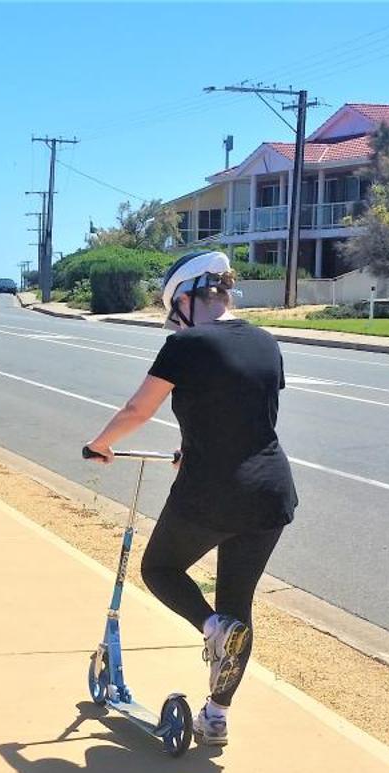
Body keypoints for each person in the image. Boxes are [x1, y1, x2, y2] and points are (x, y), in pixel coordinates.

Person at [82, 250, 296, 745]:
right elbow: (243, 413)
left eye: (171, 311)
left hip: (212, 492)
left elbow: (139, 408)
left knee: (159, 570)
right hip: (270, 493)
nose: (172, 323)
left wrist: (102, 444)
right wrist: (189, 446)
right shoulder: (266, 341)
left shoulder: (187, 345)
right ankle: (216, 716)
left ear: (186, 297)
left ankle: (209, 625)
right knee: (238, 606)